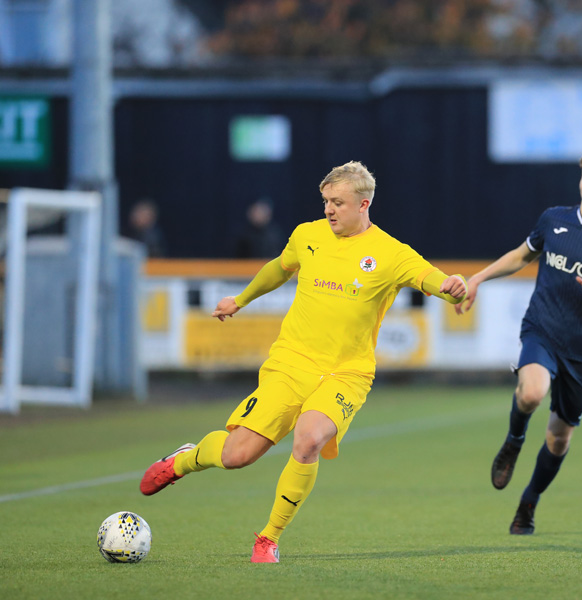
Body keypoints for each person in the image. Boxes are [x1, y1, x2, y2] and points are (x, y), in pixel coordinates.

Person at [139, 161, 467, 563]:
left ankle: (268, 538)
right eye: (326, 201)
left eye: (338, 203)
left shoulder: (390, 253)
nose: (329, 209)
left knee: (309, 439)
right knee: (236, 456)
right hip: (290, 363)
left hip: (346, 374)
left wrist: (453, 288)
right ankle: (185, 460)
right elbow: (279, 269)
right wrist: (240, 300)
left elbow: (433, 279)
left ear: (364, 204)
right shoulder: (307, 235)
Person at [456, 146, 582, 534]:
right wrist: (477, 278)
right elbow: (521, 256)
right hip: (541, 329)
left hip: (581, 349)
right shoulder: (554, 220)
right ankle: (513, 440)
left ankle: (528, 502)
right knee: (530, 394)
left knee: (559, 440)